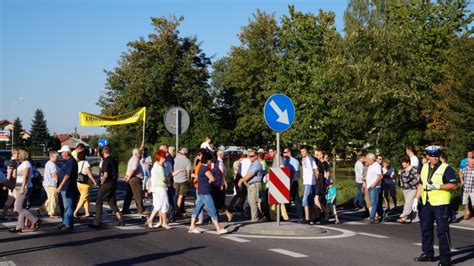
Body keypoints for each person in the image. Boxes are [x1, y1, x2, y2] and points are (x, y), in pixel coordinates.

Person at [412, 146, 457, 266]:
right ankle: (427, 254)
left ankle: (445, 259)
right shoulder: (425, 167)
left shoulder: (445, 168)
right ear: (427, 156)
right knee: (425, 229)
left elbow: (453, 185)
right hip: (427, 203)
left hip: (440, 204)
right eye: (432, 156)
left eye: (437, 155)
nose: (435, 158)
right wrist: (416, 199)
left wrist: (438, 186)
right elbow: (421, 184)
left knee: (442, 232)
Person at [188, 150, 228, 235]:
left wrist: (209, 179)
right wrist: (210, 179)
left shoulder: (200, 167)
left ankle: (192, 227)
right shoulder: (205, 168)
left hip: (201, 191)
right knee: (212, 209)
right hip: (206, 192)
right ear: (207, 160)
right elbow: (213, 178)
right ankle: (218, 228)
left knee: (197, 208)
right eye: (210, 160)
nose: (211, 162)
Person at [90, 146, 124, 228]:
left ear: (103, 152)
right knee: (111, 201)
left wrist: (101, 182)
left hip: (107, 184)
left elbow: (105, 174)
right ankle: (120, 220)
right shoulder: (114, 160)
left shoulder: (105, 161)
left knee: (98, 201)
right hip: (113, 183)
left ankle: (97, 221)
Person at [9, 148, 41, 233]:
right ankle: (19, 227)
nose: (17, 155)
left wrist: (23, 188)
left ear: (22, 154)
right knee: (21, 208)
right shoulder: (21, 163)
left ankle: (35, 219)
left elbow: (25, 177)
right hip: (19, 187)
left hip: (24, 187)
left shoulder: (26, 164)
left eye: (19, 154)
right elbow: (14, 176)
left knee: (18, 208)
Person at [145, 150, 171, 229]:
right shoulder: (159, 167)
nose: (164, 159)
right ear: (159, 158)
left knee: (157, 205)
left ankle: (150, 220)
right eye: (163, 157)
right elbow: (163, 179)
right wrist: (169, 183)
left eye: (164, 157)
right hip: (160, 188)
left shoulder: (157, 165)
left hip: (155, 188)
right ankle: (164, 223)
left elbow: (167, 174)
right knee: (164, 204)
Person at [57, 145, 78, 232]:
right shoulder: (66, 161)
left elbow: (67, 175)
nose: (61, 154)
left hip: (68, 187)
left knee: (68, 206)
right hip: (63, 188)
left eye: (62, 152)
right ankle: (65, 223)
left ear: (67, 153)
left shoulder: (71, 162)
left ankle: (68, 225)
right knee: (63, 206)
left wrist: (61, 185)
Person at [238, 149, 264, 222]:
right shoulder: (253, 163)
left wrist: (242, 180)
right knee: (250, 201)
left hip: (254, 184)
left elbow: (251, 174)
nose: (250, 158)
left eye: (252, 156)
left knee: (253, 202)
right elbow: (248, 173)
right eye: (249, 156)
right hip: (251, 184)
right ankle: (260, 216)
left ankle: (255, 219)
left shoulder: (256, 163)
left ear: (256, 156)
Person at [73, 151, 98, 218]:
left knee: (86, 198)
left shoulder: (77, 163)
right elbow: (89, 173)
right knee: (83, 197)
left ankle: (87, 212)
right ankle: (75, 212)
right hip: (85, 183)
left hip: (78, 182)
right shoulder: (86, 163)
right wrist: (94, 181)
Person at [122, 148, 146, 215]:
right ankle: (141, 210)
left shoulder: (131, 159)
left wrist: (127, 176)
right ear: (136, 154)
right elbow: (133, 169)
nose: (140, 155)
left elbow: (129, 169)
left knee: (129, 195)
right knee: (138, 195)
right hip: (135, 179)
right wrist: (129, 177)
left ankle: (125, 209)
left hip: (131, 179)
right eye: (139, 153)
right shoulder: (135, 159)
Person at [268, 146, 288, 221]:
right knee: (279, 202)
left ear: (275, 151)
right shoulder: (275, 159)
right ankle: (284, 217)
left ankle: (273, 217)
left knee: (273, 201)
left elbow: (282, 168)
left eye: (271, 152)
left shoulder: (279, 158)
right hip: (275, 181)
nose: (270, 153)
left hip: (277, 182)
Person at [212, 150, 233, 222]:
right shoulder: (219, 162)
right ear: (220, 154)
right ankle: (216, 217)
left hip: (218, 183)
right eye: (223, 154)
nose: (224, 155)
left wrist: (223, 182)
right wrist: (223, 182)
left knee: (219, 201)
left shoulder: (219, 162)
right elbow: (222, 173)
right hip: (218, 183)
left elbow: (222, 173)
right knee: (217, 200)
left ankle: (225, 214)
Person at [397, 156, 420, 224]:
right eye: (402, 163)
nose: (402, 164)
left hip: (412, 188)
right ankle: (415, 218)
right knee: (411, 203)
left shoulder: (413, 169)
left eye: (404, 163)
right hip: (405, 189)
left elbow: (418, 178)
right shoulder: (402, 170)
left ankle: (404, 215)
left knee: (408, 202)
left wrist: (420, 187)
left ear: (408, 162)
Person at [38, 151, 60, 218]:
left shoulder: (49, 163)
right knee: (53, 198)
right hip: (51, 184)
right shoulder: (52, 165)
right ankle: (51, 213)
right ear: (51, 157)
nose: (57, 159)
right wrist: (58, 183)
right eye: (56, 157)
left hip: (48, 184)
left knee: (50, 198)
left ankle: (41, 209)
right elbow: (54, 175)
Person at [300, 145, 318, 224]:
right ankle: (314, 217)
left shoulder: (311, 159)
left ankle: (307, 218)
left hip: (310, 182)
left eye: (303, 151)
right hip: (305, 182)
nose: (302, 153)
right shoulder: (303, 160)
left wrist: (316, 181)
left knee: (305, 200)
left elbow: (316, 171)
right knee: (310, 201)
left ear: (307, 151)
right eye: (301, 152)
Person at [284, 148, 303, 222]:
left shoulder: (294, 161)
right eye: (283, 152)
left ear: (289, 152)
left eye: (285, 152)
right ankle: (286, 216)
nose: (284, 154)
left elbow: (294, 173)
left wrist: (291, 183)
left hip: (293, 182)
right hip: (286, 181)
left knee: (295, 199)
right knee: (286, 199)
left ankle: (300, 216)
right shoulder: (285, 161)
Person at [173, 147, 192, 215]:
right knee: (181, 196)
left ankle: (176, 209)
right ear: (186, 154)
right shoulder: (187, 160)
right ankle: (178, 210)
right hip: (183, 180)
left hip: (175, 179)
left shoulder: (174, 159)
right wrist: (189, 179)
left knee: (176, 195)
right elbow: (188, 171)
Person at [364, 153, 382, 224]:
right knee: (372, 203)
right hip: (370, 187)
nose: (366, 161)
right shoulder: (370, 166)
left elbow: (379, 176)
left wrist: (374, 184)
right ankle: (374, 216)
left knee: (374, 203)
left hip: (374, 187)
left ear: (371, 159)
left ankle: (371, 218)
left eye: (367, 159)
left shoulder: (376, 165)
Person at [2, 148, 18, 220]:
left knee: (10, 200)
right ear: (14, 154)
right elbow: (9, 173)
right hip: (13, 183)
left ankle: (4, 215)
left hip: (12, 183)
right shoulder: (13, 162)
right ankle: (14, 215)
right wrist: (7, 183)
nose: (19, 155)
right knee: (16, 200)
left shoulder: (13, 161)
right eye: (18, 154)